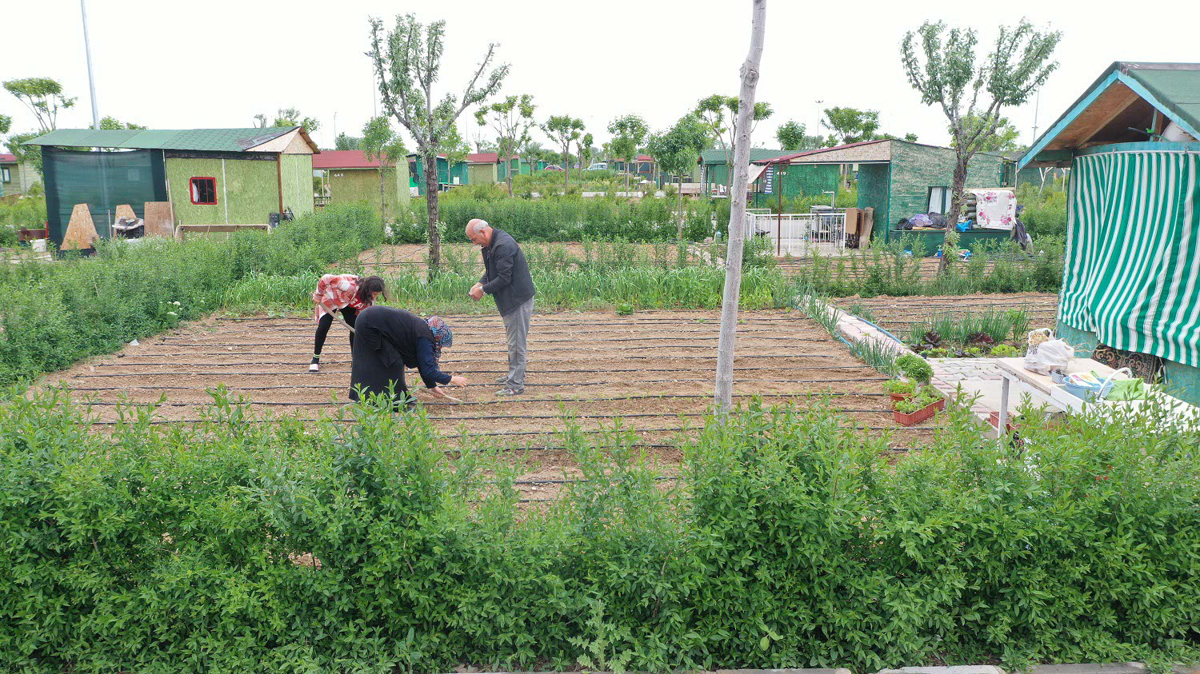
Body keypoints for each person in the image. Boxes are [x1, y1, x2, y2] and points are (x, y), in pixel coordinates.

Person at [466, 218, 535, 396]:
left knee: (517, 344)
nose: (474, 243)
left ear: (483, 232)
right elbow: (492, 270)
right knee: (514, 341)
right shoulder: (494, 243)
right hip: (511, 300)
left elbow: (504, 278)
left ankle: (515, 385)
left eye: (474, 239)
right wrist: (479, 283)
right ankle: (514, 376)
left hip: (517, 300)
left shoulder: (503, 245)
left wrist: (483, 290)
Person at [348, 307, 466, 408]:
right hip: (370, 323)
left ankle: (376, 398)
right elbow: (428, 370)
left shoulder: (425, 331)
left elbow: (422, 364)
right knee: (393, 362)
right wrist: (452, 379)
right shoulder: (426, 338)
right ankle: (394, 401)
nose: (440, 347)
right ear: (439, 337)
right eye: (441, 344)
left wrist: (432, 386)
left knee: (387, 361)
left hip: (368, 319)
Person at [310, 274, 386, 372]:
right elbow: (326, 278)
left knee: (355, 328)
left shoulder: (368, 298)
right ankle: (315, 359)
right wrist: (318, 295)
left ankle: (355, 360)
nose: (375, 297)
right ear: (367, 289)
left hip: (348, 303)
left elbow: (366, 314)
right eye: (374, 294)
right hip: (332, 297)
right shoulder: (348, 286)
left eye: (377, 294)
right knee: (324, 326)